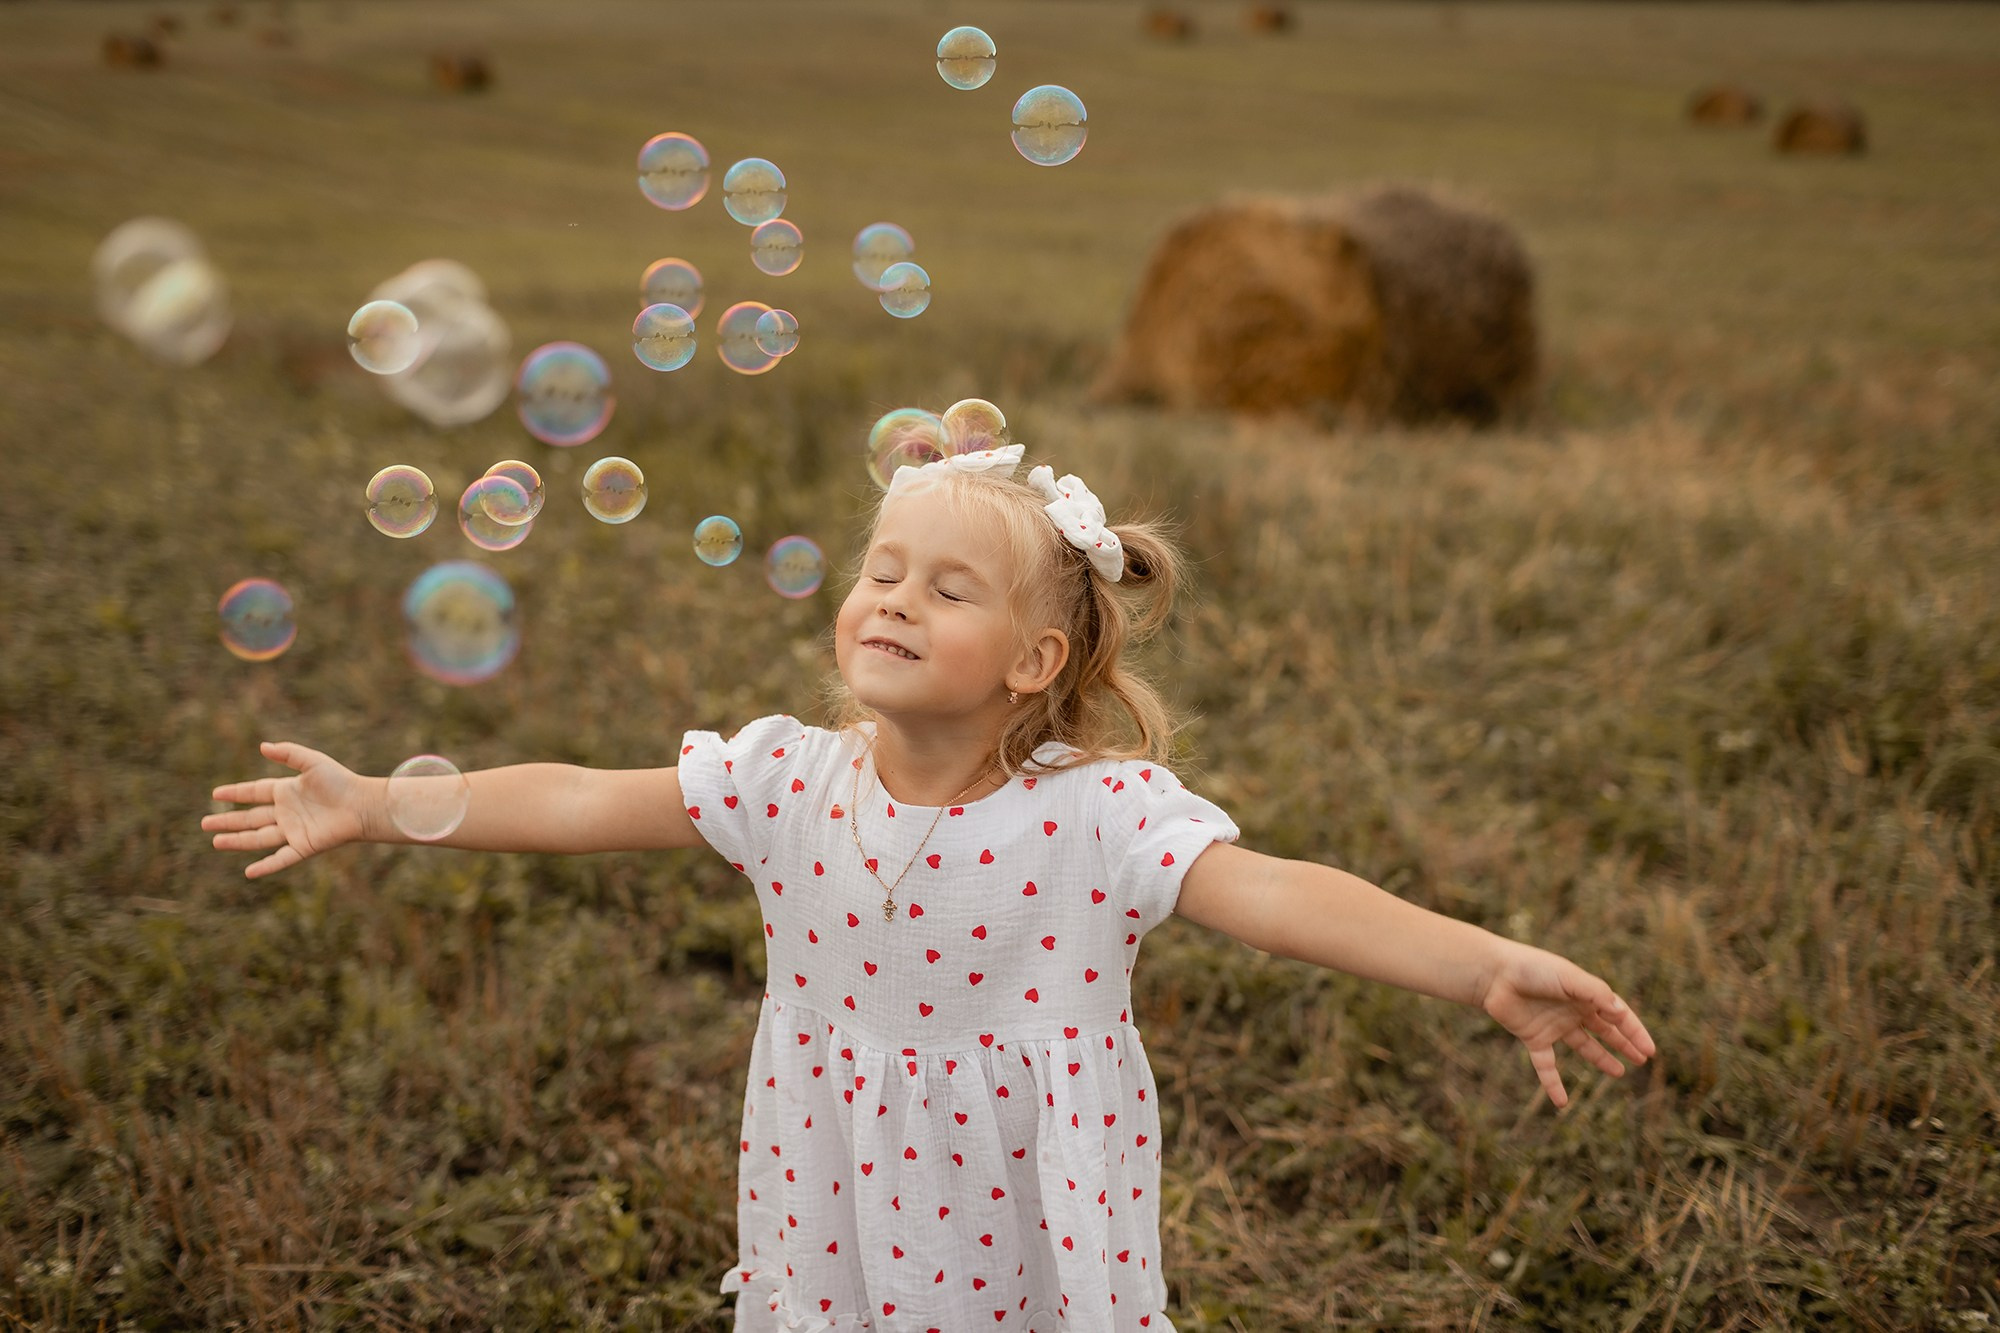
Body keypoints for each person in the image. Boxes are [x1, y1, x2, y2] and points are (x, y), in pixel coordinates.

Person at [203, 439, 1656, 1332]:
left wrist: (1477, 963)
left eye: (944, 586)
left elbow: (1278, 889)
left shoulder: (1096, 818)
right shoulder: (784, 780)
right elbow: (583, 797)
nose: (889, 595)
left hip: (1022, 1201)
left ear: (1033, 661)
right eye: (880, 569)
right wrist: (386, 804)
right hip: (836, 1185)